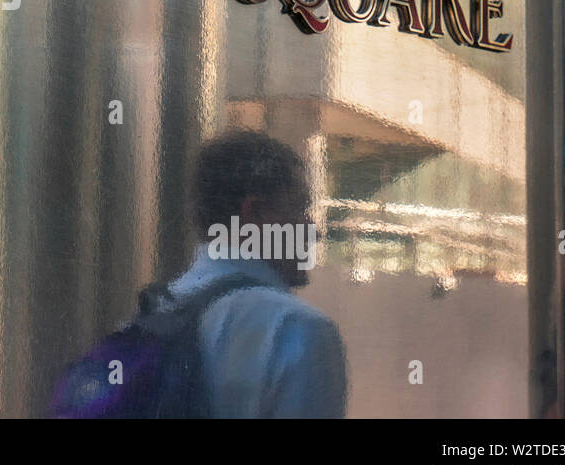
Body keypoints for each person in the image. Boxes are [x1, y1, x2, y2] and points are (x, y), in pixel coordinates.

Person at [50, 130, 347, 418]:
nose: (314, 230)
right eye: (300, 210)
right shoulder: (297, 330)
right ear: (254, 213)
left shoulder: (148, 318)